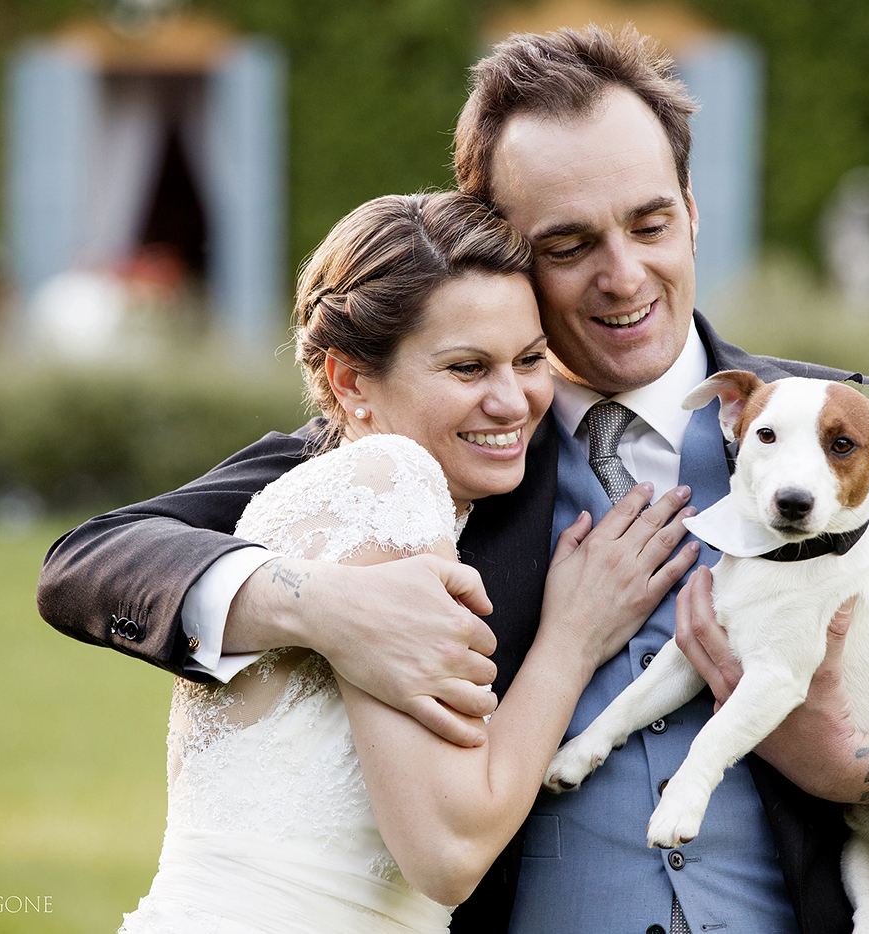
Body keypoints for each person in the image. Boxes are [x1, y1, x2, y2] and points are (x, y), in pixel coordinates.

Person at [39, 26, 869, 934]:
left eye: (648, 223)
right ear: (504, 254)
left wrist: (865, 766)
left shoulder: (850, 439)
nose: (624, 277)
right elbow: (91, 561)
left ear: (692, 211)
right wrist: (317, 605)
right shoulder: (440, 440)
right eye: (570, 243)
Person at [117, 190, 700, 933]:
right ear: (350, 381)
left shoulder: (341, 495)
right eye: (466, 368)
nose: (513, 401)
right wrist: (573, 638)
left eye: (528, 360)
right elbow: (447, 852)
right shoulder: (391, 482)